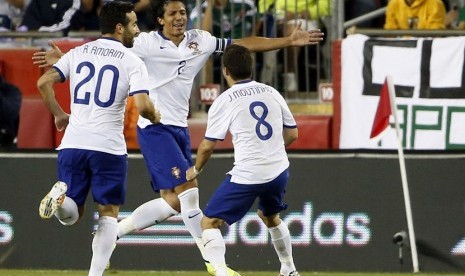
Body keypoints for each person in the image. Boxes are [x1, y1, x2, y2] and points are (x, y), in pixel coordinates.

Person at [33, 0, 323, 274]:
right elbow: (108, 50)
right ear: (160, 19)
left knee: (173, 203)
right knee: (189, 189)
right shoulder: (144, 43)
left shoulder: (201, 40)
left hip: (178, 129)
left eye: (183, 12)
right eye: (172, 13)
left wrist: (287, 41)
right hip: (154, 128)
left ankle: (115, 231)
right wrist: (67, 56)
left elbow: (242, 45)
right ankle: (212, 261)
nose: (179, 17)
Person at [36, 2, 159, 276]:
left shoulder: (76, 53)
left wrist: (59, 114)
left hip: (72, 143)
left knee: (71, 215)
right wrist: (155, 116)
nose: (137, 31)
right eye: (134, 24)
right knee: (109, 212)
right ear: (119, 28)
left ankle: (60, 199)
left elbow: (43, 83)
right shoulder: (132, 61)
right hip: (108, 148)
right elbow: (144, 106)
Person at [186, 44, 299, 276]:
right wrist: (272, 148)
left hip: (249, 173)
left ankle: (220, 271)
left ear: (225, 71)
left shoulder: (225, 100)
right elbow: (293, 133)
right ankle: (289, 269)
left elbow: (207, 145)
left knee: (209, 223)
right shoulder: (271, 92)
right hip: (278, 170)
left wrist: (195, 169)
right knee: (270, 216)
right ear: (251, 69)